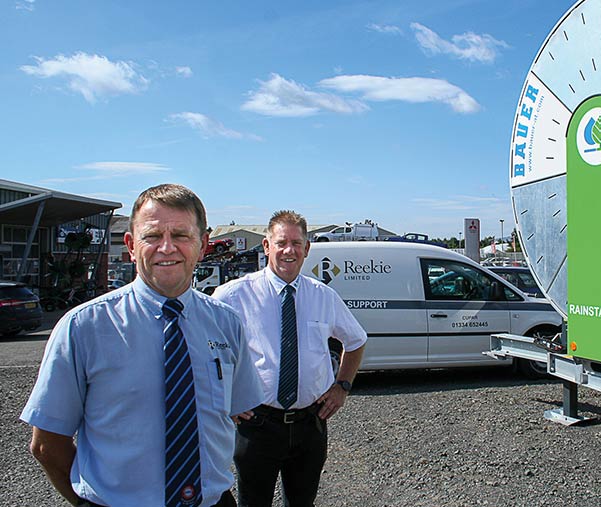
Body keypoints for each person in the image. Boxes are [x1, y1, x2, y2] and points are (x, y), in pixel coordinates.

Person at [20, 184, 265, 507]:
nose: (167, 248)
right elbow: (46, 444)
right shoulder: (83, 328)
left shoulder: (226, 323)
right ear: (131, 245)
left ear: (203, 245)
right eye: (152, 236)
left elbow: (234, 413)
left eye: (181, 235)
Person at [213, 210, 366, 507]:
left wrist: (342, 387)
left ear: (307, 249)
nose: (289, 250)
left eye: (297, 243)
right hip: (257, 425)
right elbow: (203, 345)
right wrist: (224, 395)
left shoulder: (323, 296)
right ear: (267, 246)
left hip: (310, 424)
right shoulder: (234, 295)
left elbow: (357, 340)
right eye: (281, 242)